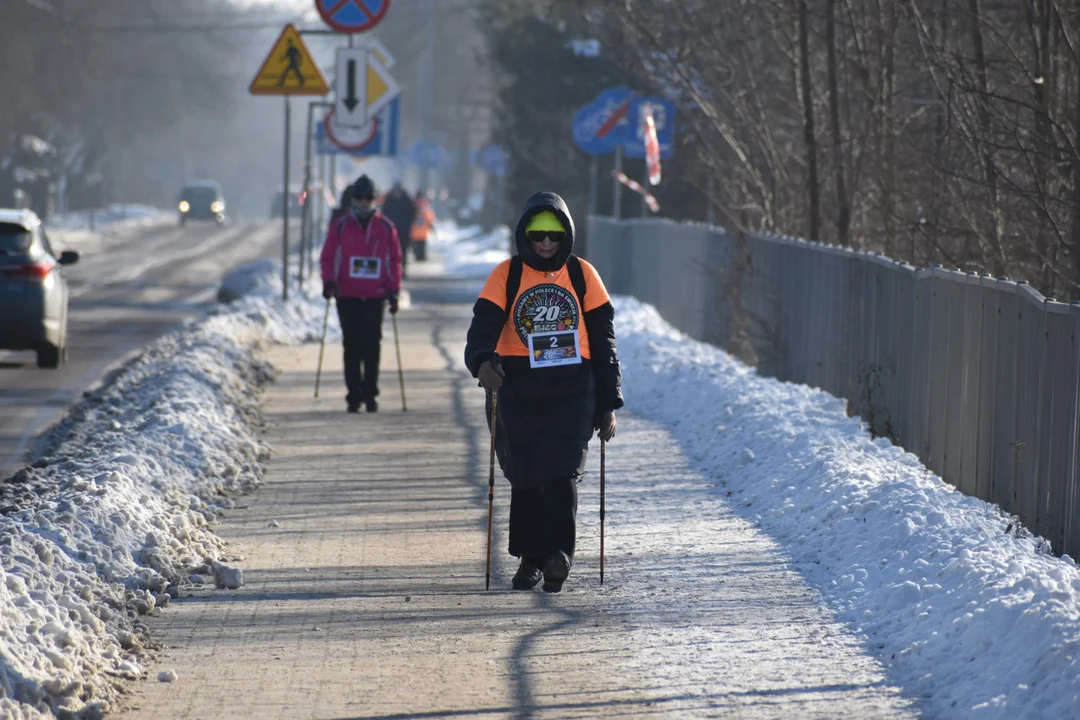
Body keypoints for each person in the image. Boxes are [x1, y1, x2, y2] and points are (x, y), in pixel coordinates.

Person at [464, 191, 622, 593]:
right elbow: (483, 327)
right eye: (538, 235)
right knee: (527, 470)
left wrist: (608, 403)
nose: (547, 244)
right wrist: (483, 363)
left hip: (574, 384)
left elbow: (604, 342)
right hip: (519, 383)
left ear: (566, 235)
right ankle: (530, 558)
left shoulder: (584, 275)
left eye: (554, 235)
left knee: (563, 467)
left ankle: (559, 555)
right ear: (526, 235)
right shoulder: (508, 275)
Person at [320, 175, 403, 413]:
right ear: (353, 199)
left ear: (374, 199)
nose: (364, 202)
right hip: (346, 294)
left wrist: (393, 290)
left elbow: (394, 261)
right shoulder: (341, 225)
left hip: (375, 295)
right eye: (360, 198)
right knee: (351, 345)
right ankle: (353, 395)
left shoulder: (386, 227)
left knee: (372, 345)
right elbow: (327, 256)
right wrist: (328, 282)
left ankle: (370, 393)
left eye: (369, 198)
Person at [380, 182, 416, 277]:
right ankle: (393, 270)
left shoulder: (406, 200)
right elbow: (384, 213)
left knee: (403, 251)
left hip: (404, 230)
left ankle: (403, 269)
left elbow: (412, 213)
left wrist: (407, 223)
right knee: (391, 251)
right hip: (391, 229)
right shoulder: (389, 200)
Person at [410, 189, 436, 262]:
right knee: (422, 244)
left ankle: (418, 256)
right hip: (423, 230)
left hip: (415, 230)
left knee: (416, 245)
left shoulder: (413, 204)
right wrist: (431, 225)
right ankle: (422, 256)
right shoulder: (425, 205)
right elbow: (430, 216)